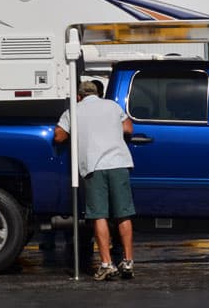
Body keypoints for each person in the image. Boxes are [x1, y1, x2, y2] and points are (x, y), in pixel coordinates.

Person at [54, 81, 136, 281]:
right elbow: (129, 128)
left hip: (94, 166)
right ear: (98, 94)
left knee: (99, 215)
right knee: (123, 214)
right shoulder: (112, 106)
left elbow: (59, 136)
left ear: (79, 96)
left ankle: (107, 264)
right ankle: (128, 262)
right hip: (118, 162)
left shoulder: (74, 110)